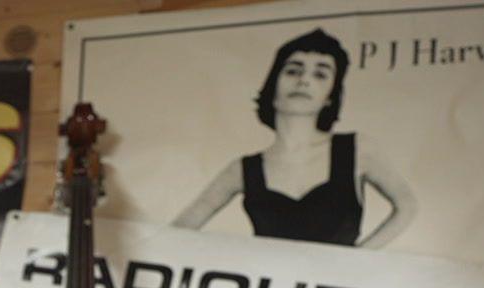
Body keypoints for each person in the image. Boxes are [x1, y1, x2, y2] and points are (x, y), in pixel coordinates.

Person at [174, 28, 416, 247]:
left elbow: (407, 205)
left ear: (331, 95)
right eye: (293, 70)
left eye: (320, 74)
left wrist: (360, 259)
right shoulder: (244, 169)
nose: (304, 80)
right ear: (273, 86)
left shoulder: (357, 149)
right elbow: (179, 231)